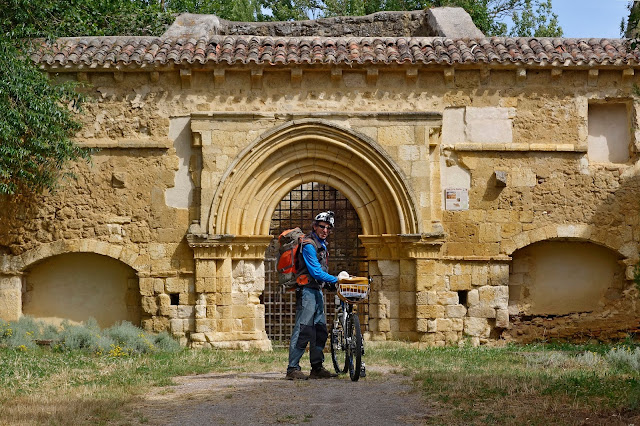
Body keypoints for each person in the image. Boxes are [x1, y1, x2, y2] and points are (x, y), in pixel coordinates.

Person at [286, 210, 341, 380]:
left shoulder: (322, 246)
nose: (325, 230)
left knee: (319, 330)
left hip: (316, 291)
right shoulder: (309, 245)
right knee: (303, 329)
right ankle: (292, 368)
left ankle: (317, 368)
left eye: (328, 228)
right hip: (307, 292)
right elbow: (316, 272)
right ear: (315, 226)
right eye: (322, 227)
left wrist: (331, 283)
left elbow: (320, 274)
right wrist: (337, 279)